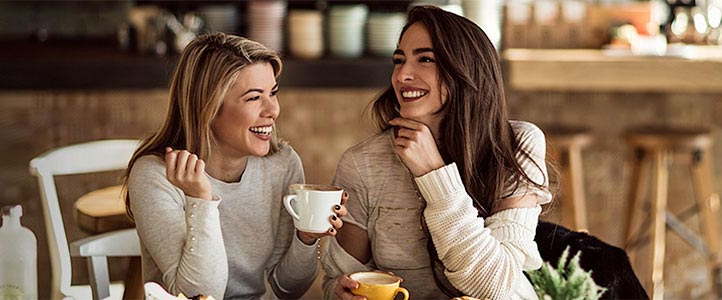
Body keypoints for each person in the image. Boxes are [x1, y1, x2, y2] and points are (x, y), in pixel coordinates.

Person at [322, 6, 553, 300]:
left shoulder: (516, 144)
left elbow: (495, 287)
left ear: (466, 69)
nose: (403, 74)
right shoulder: (363, 163)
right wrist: (342, 293)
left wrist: (433, 173)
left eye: (426, 59)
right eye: (399, 60)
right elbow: (336, 282)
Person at [125, 33, 347, 300]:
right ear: (207, 107)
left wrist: (306, 238)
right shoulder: (156, 175)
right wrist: (200, 200)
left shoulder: (281, 164)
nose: (273, 110)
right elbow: (199, 295)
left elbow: (288, 288)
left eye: (273, 93)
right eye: (254, 98)